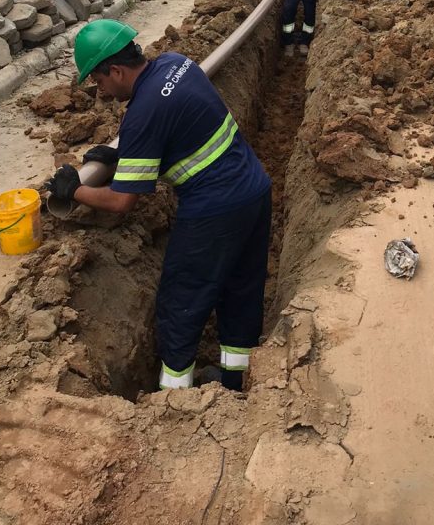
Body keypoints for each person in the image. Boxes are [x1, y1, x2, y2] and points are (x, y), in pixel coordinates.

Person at [45, 19, 272, 393]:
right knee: (241, 290)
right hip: (255, 190)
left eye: (99, 81)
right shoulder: (175, 62)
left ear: (116, 70)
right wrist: (120, 156)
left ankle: (175, 398)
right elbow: (172, 128)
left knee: (181, 303)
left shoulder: (143, 113)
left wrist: (74, 191)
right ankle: (235, 382)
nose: (100, 91)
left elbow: (121, 201)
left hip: (215, 211)